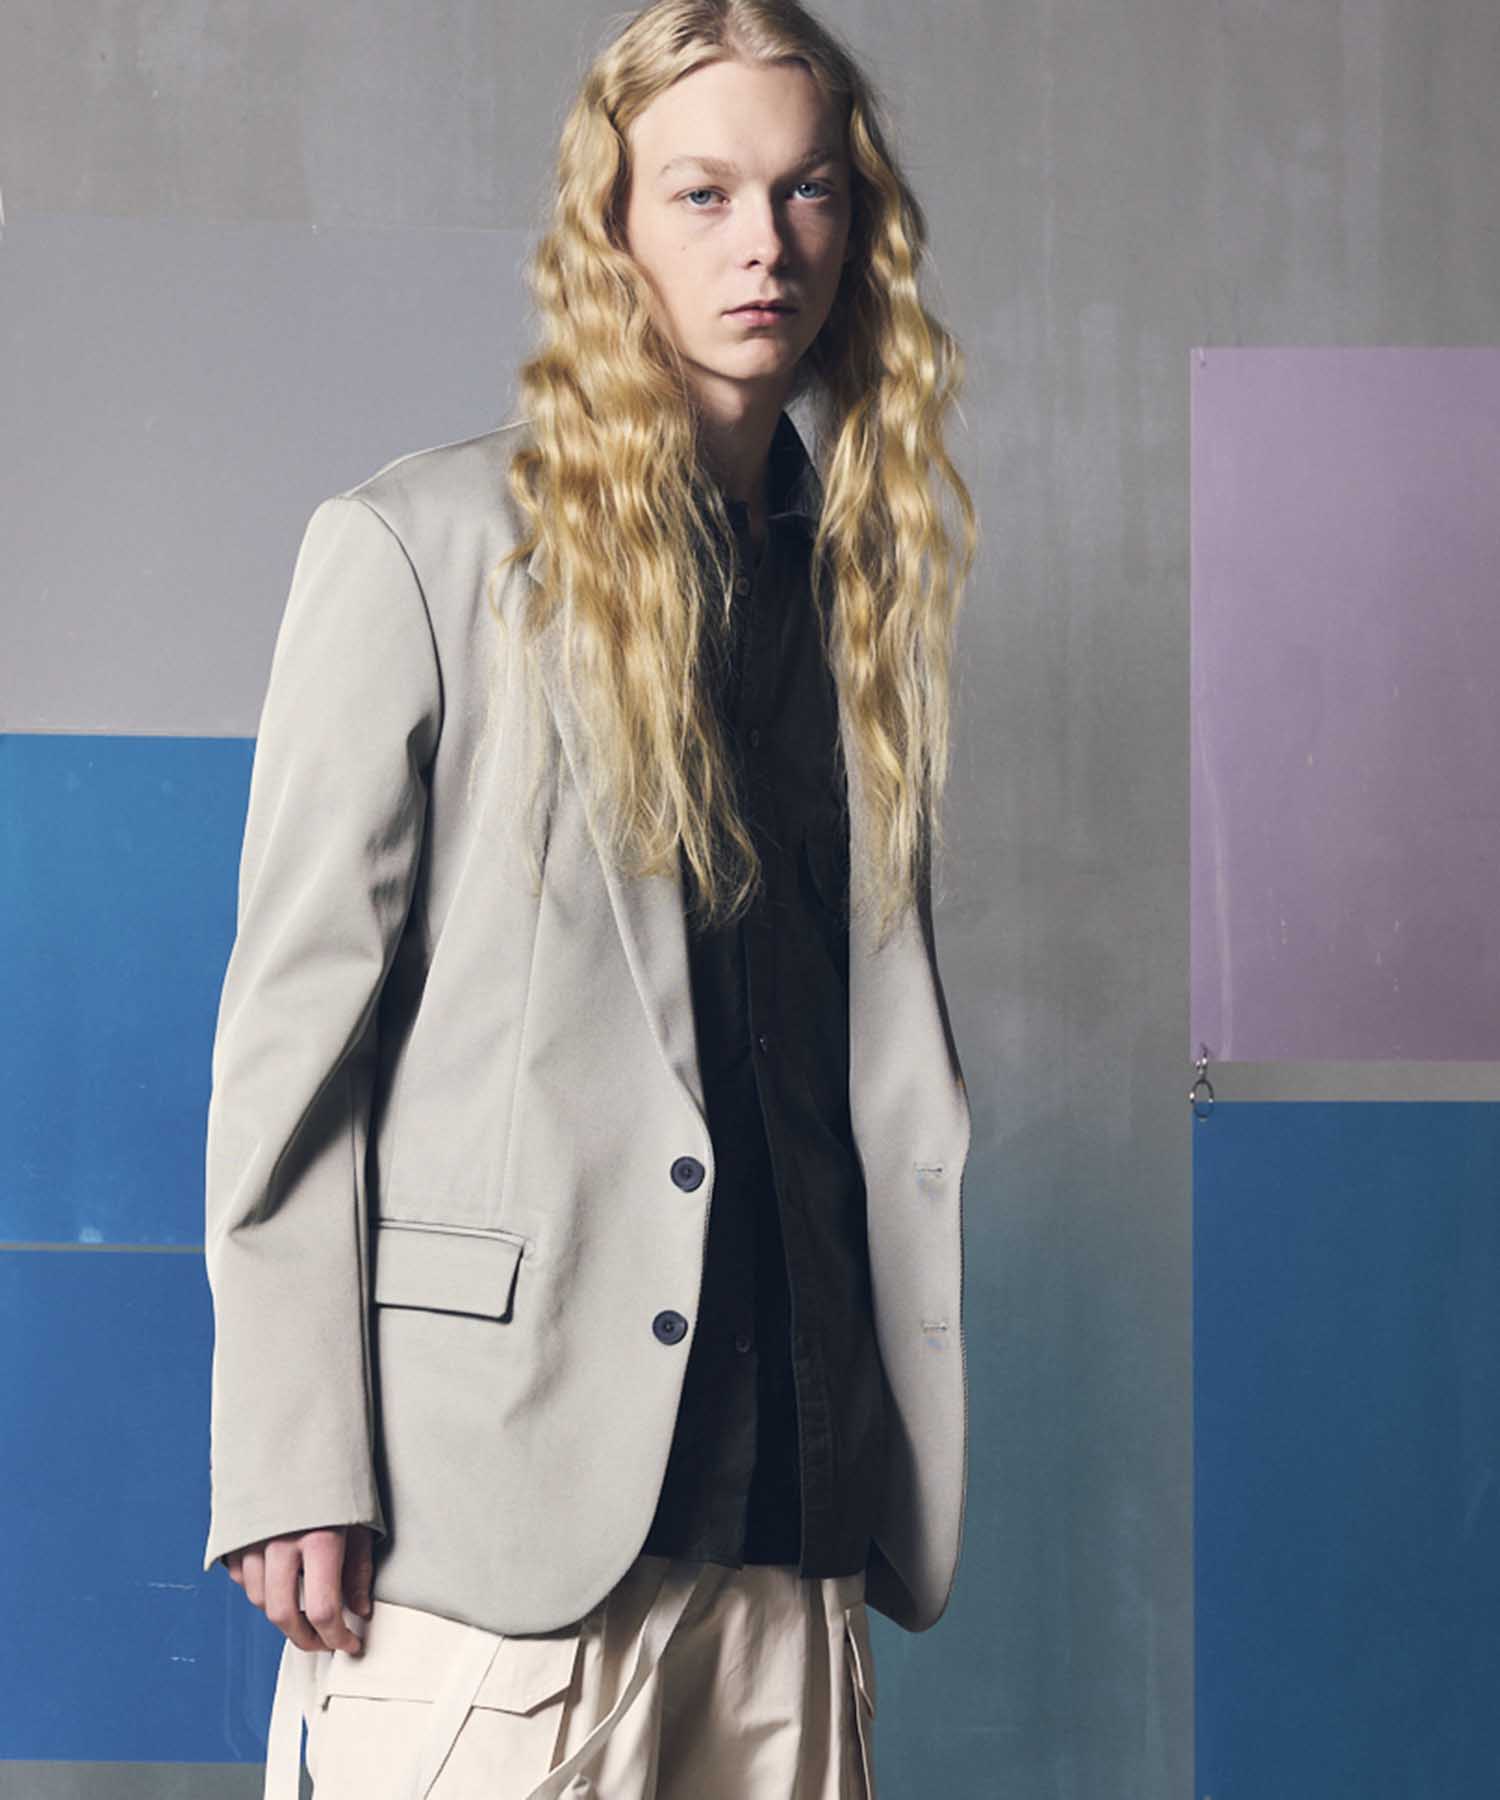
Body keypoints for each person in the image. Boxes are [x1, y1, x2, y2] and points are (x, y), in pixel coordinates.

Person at [201, 1, 978, 1794]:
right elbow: (292, 1045)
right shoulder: (421, 552)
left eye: (805, 192)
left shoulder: (860, 595)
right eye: (701, 193)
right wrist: (293, 1455)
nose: (763, 244)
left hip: (796, 1530)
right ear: (611, 221)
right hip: (496, 1516)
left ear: (856, 225)